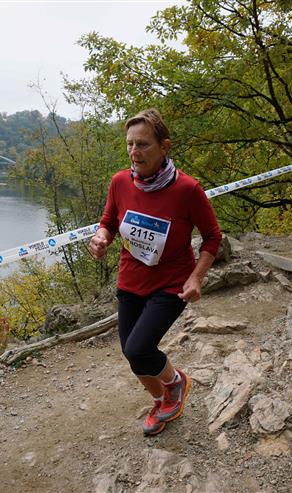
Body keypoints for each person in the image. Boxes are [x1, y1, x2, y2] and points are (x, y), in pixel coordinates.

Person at [88, 109, 221, 436]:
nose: (134, 152)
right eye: (130, 144)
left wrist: (196, 277)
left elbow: (212, 236)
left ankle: (175, 383)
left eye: (143, 144)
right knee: (132, 355)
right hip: (131, 280)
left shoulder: (187, 189)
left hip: (172, 284)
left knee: (139, 349)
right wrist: (102, 237)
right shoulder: (120, 182)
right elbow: (109, 222)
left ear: (165, 147)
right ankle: (162, 401)